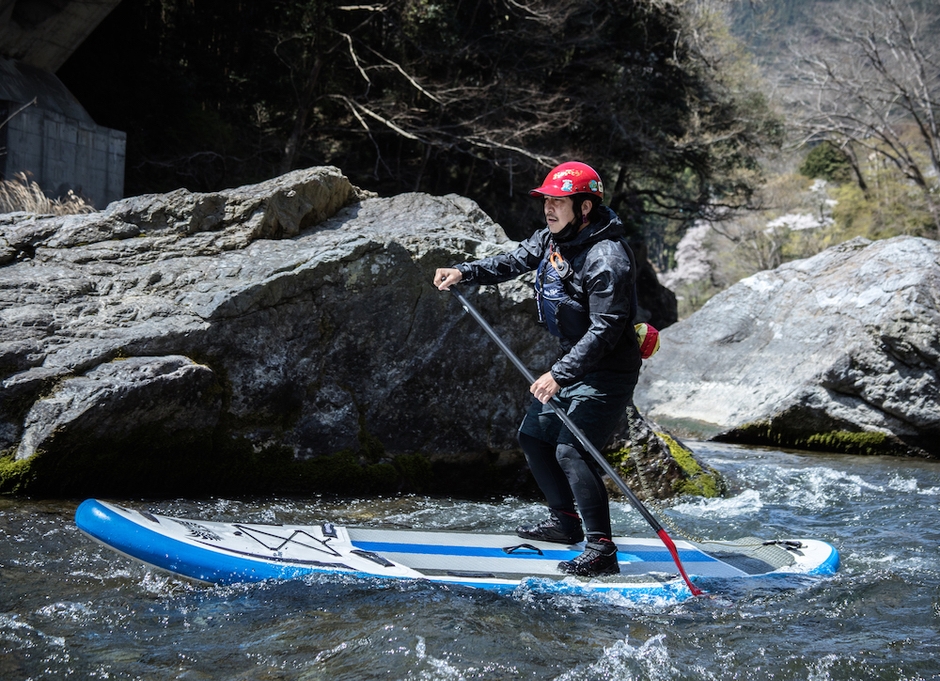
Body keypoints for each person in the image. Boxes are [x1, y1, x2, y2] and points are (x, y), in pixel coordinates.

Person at [434, 161, 642, 577]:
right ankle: (566, 523)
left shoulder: (607, 259)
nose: (548, 208)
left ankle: (602, 550)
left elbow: (605, 329)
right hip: (576, 363)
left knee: (571, 449)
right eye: (546, 200)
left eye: (558, 201)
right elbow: (513, 260)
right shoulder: (552, 238)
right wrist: (465, 271)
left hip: (607, 369)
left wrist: (559, 374)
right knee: (533, 436)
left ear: (584, 207)